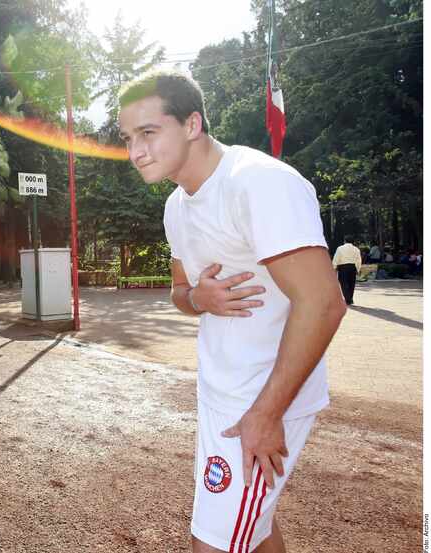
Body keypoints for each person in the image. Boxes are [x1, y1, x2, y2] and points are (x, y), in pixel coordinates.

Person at [118, 70, 346, 553]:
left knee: (214, 544)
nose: (135, 151)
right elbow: (181, 293)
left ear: (192, 124)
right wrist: (200, 299)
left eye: (148, 133)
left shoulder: (258, 183)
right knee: (251, 528)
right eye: (128, 138)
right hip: (221, 393)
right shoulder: (177, 207)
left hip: (262, 399)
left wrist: (266, 413)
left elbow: (324, 302)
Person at [332, 236, 362, 305]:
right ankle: (350, 298)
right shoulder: (356, 249)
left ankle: (348, 299)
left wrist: (334, 267)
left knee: (344, 283)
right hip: (352, 267)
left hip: (343, 267)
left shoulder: (340, 248)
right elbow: (358, 260)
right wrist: (358, 269)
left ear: (345, 241)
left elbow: (336, 258)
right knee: (352, 283)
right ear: (353, 242)